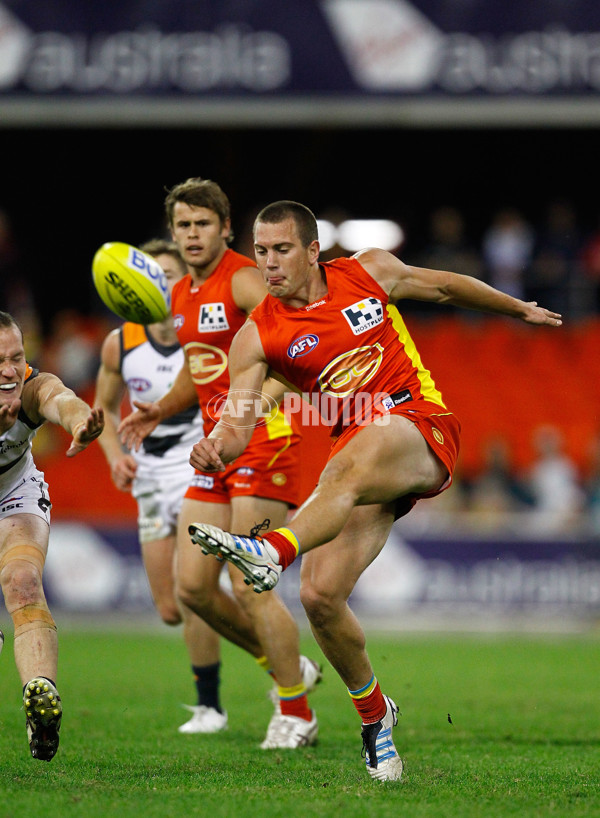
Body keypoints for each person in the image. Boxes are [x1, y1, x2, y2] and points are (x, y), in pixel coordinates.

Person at [185, 200, 563, 782]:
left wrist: (518, 309)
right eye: (260, 251)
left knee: (348, 465)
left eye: (282, 249)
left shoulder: (368, 272)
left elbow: (442, 288)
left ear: (313, 250)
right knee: (319, 597)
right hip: (358, 458)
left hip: (418, 423)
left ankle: (272, 553)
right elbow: (238, 422)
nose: (269, 263)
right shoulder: (256, 336)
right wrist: (217, 446)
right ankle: (375, 717)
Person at [118, 180, 321, 749]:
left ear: (226, 228)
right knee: (192, 589)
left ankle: (296, 711)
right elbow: (201, 368)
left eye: (202, 223)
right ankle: (285, 664)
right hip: (215, 448)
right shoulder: (180, 293)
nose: (191, 234)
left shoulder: (243, 278)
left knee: (247, 579)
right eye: (183, 225)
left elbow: (291, 336)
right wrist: (158, 408)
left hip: (264, 440)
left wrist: (257, 410)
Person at [95, 238, 228, 733]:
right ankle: (264, 638)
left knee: (196, 593)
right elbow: (105, 409)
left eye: (175, 277)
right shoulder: (121, 342)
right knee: (171, 608)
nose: (168, 285)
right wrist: (114, 456)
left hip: (197, 467)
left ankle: (211, 705)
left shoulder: (204, 334)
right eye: (159, 277)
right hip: (149, 477)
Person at [0, 310, 105, 761]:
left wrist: (81, 420)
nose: (9, 370)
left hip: (14, 489)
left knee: (23, 581)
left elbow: (59, 398)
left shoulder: (29, 386)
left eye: (16, 357)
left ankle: (41, 700)